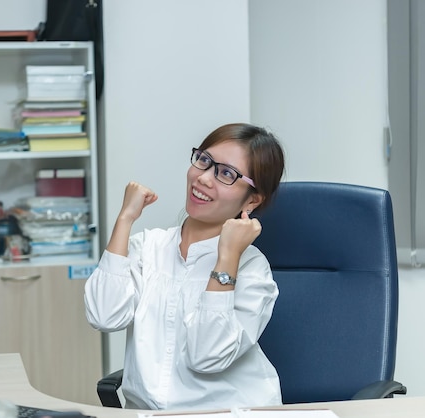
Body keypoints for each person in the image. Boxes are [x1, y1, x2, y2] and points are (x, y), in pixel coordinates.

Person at [84, 123, 285, 410]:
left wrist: (227, 257)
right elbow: (104, 316)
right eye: (204, 161)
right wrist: (125, 219)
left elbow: (207, 356)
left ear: (252, 200)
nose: (203, 178)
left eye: (226, 173)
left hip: (231, 411)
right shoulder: (149, 247)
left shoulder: (252, 267)